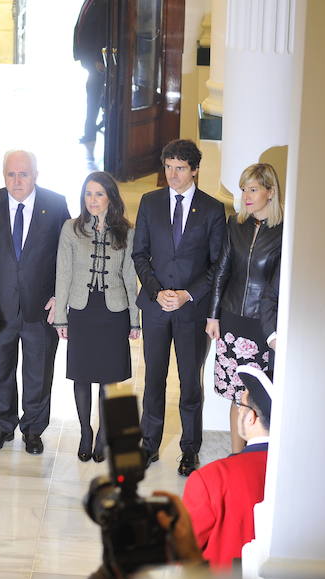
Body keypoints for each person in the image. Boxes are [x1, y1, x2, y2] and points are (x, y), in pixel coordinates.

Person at [132, 139, 226, 476]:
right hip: (155, 309)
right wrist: (157, 292)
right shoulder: (149, 202)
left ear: (195, 170)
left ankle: (190, 450)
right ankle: (149, 445)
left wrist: (187, 294)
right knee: (154, 380)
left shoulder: (213, 210)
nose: (172, 175)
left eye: (180, 168)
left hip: (191, 311)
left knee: (190, 383)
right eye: (168, 167)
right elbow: (139, 254)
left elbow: (218, 265)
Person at [0, 150, 69, 455]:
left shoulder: (55, 205)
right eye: (11, 174)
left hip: (40, 308)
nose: (17, 181)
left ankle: (33, 429)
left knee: (38, 372)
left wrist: (60, 295)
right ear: (3, 175)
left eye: (23, 174)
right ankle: (2, 426)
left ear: (36, 175)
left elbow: (66, 256)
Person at [53, 171, 140, 462]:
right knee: (82, 374)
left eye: (99, 194)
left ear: (110, 198)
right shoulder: (71, 229)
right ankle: (85, 433)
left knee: (109, 377)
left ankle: (104, 433)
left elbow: (130, 277)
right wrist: (61, 317)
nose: (93, 200)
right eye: (88, 194)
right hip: (81, 310)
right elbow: (63, 274)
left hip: (114, 311)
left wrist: (134, 319)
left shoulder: (127, 232)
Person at [206, 163, 282, 454]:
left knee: (258, 399)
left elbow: (279, 288)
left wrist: (275, 330)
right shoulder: (234, 225)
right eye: (243, 189)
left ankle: (257, 457)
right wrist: (213, 315)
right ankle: (237, 457)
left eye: (253, 189)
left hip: (263, 327)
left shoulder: (283, 232)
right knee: (237, 398)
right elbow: (222, 272)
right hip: (232, 322)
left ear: (270, 191)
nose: (246, 196)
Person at [183, 365, 273, 570]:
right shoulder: (309, 478)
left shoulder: (210, 479)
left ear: (252, 418)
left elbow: (182, 552)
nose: (239, 410)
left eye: (242, 404)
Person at [73, 0, 109, 149]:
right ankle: (90, 131)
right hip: (89, 58)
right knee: (93, 95)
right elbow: (82, 27)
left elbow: (103, 32)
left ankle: (91, 132)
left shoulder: (104, 3)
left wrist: (99, 59)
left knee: (94, 95)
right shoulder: (90, 2)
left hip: (97, 60)